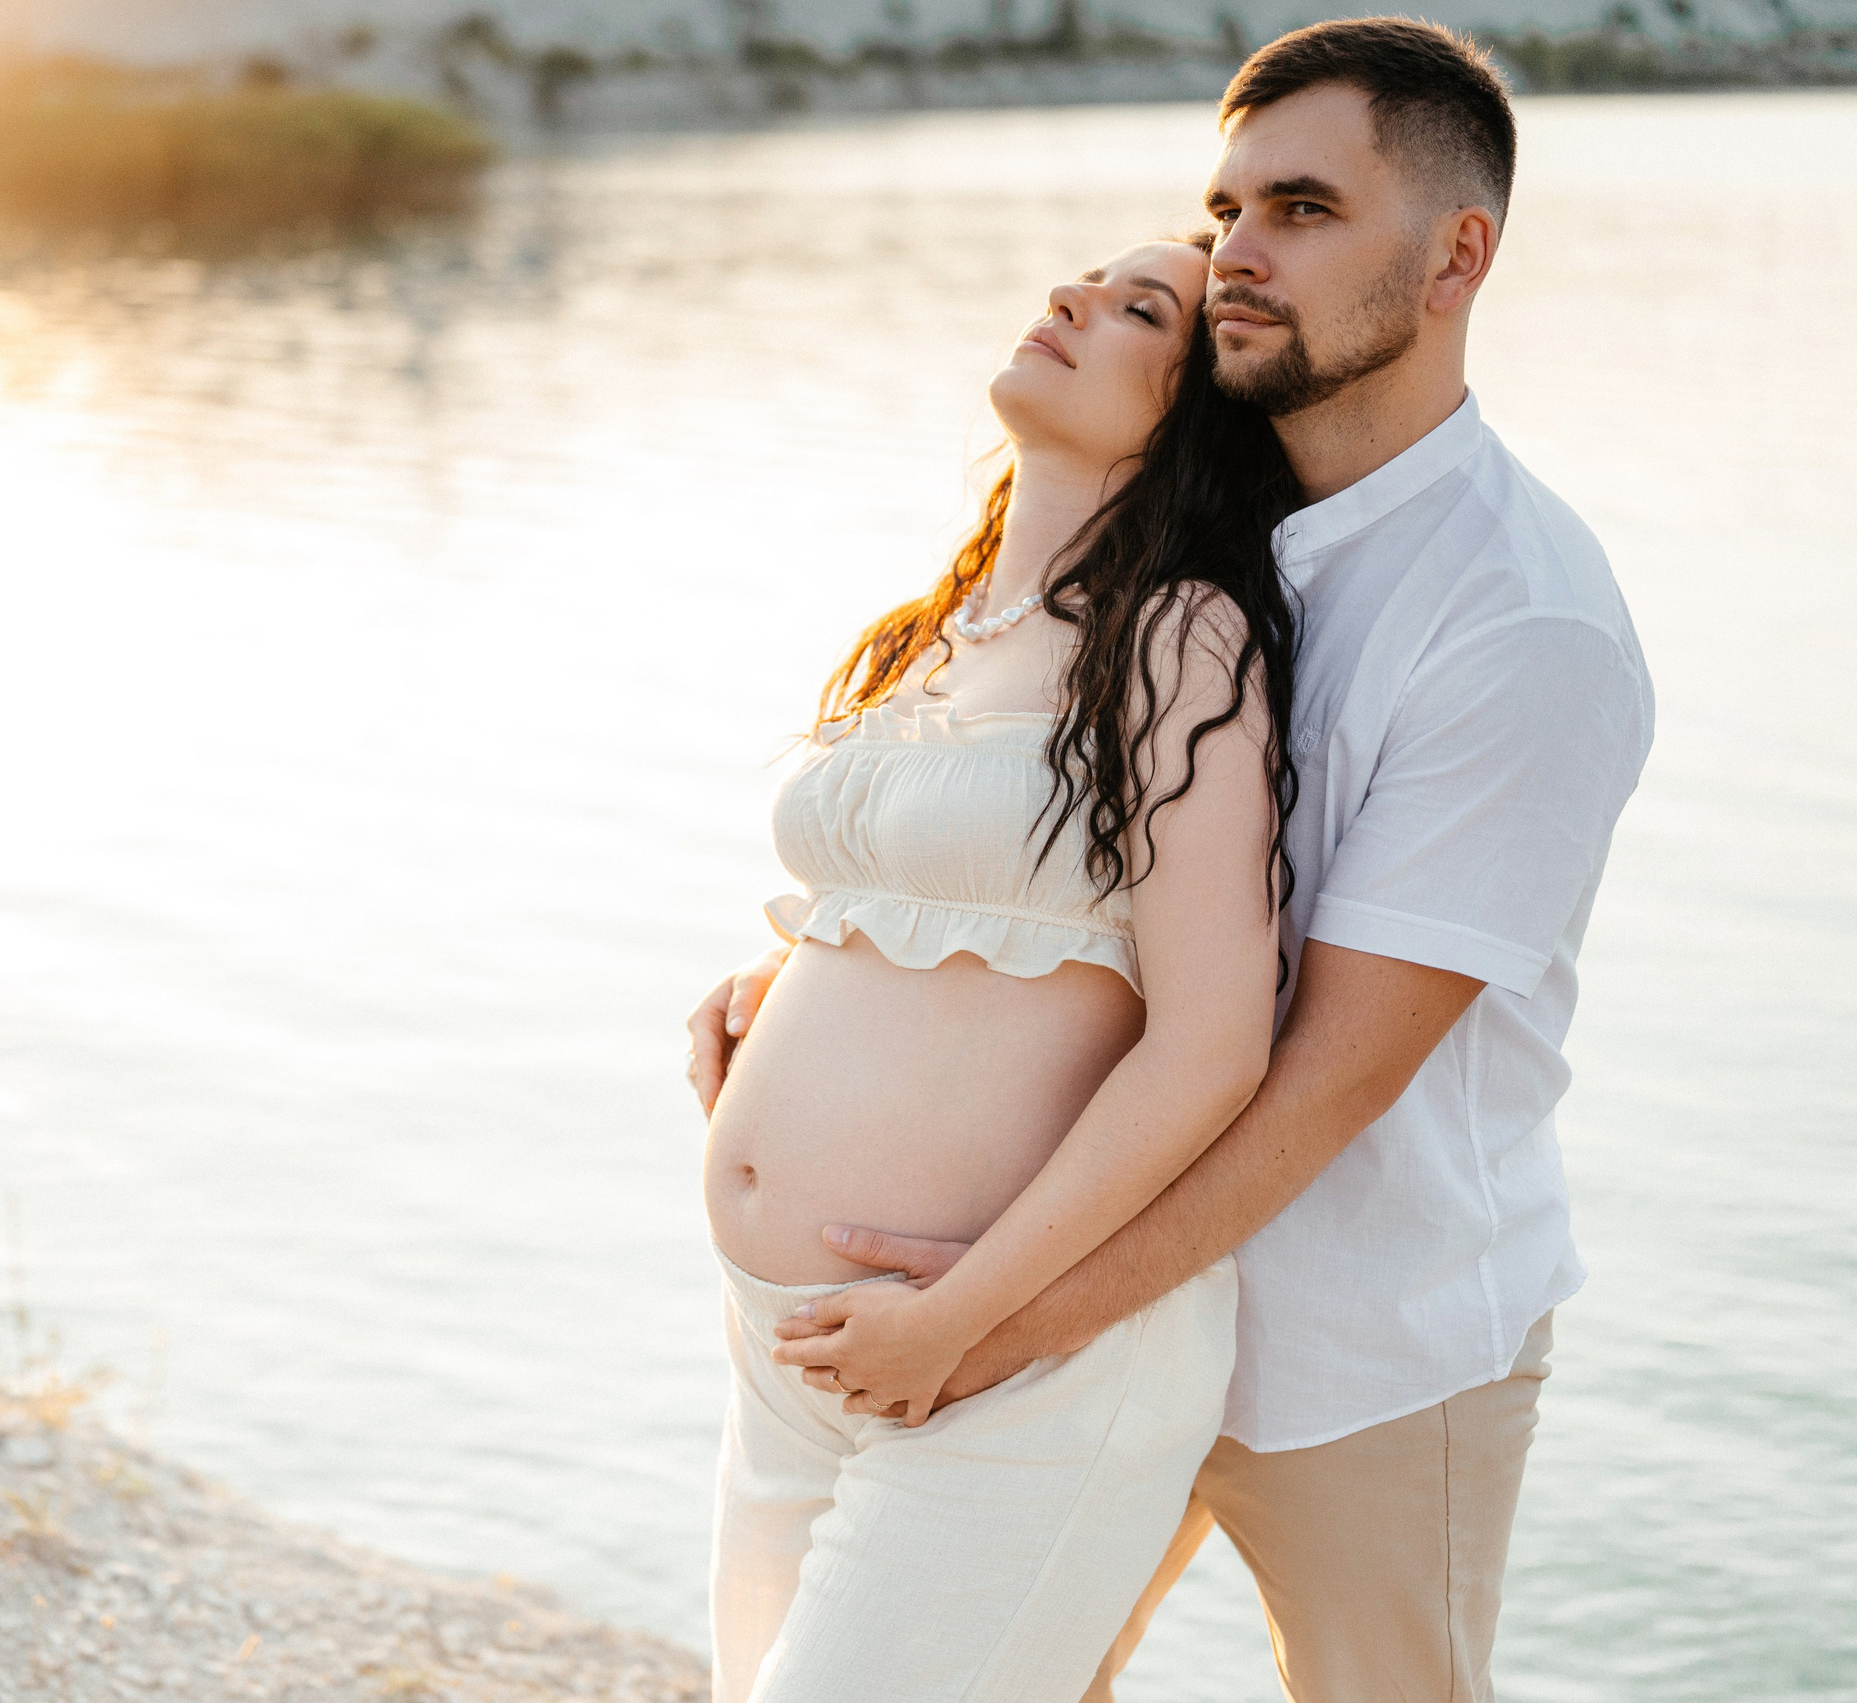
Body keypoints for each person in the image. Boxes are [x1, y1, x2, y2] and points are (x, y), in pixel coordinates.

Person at [691, 20, 1654, 1702]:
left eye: (1299, 208)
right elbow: (1070, 870)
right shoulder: (1182, 523)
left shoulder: (1521, 623)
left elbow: (1319, 1078)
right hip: (1066, 1279)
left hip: (1351, 1336)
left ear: (1456, 255)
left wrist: (1009, 1321)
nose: (1236, 255)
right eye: (1225, 208)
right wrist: (828, 984)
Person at [696, 222, 1304, 1702]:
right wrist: (776, 1000)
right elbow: (965, 919)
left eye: (1137, 308)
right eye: (1085, 280)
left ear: (1192, 415)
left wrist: (965, 1322)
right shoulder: (940, 631)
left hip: (1012, 1366)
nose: (1073, 298)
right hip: (791, 1342)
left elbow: (1214, 1044)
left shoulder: (1180, 645)